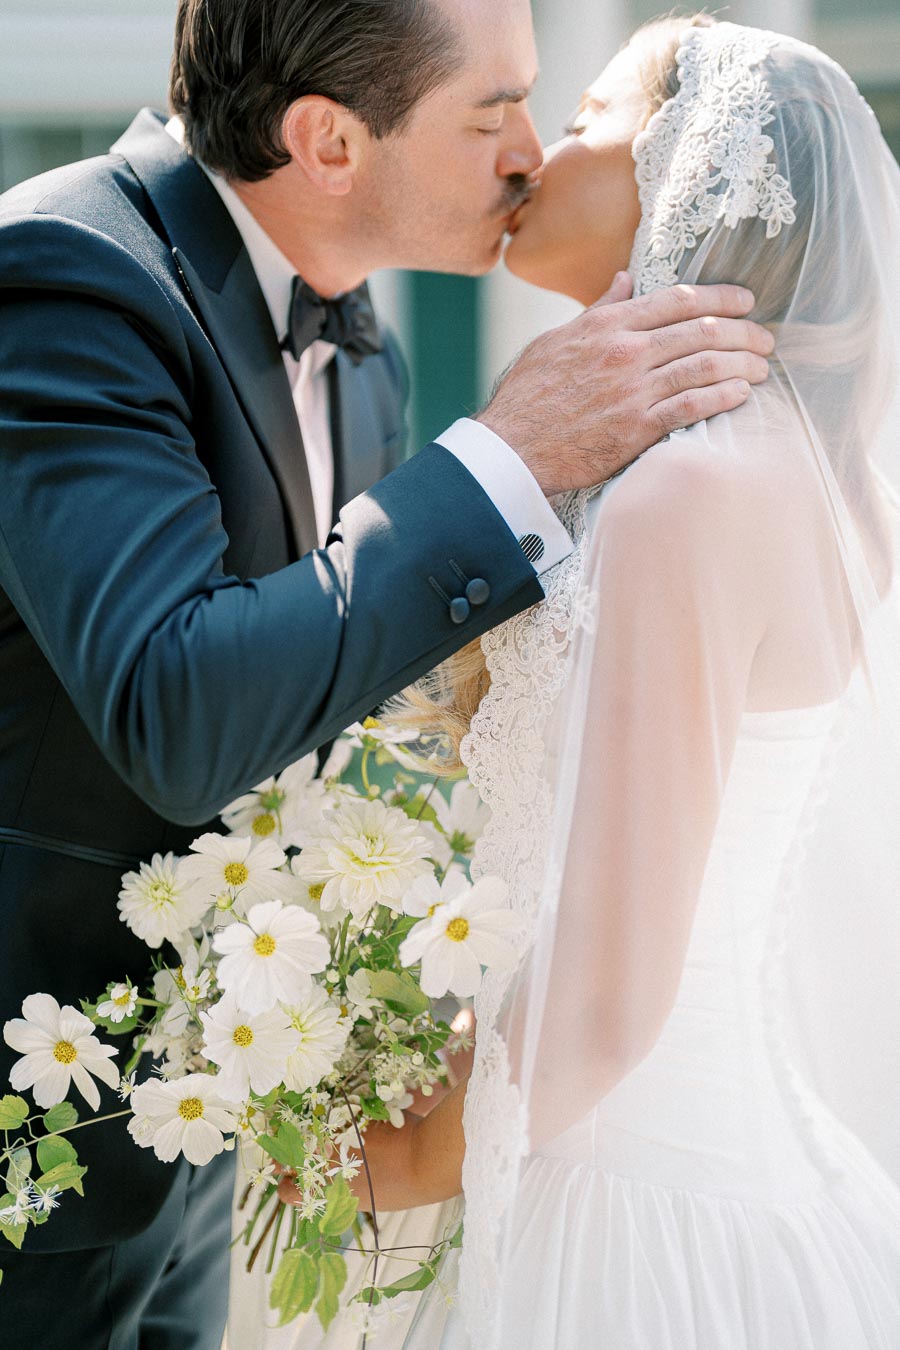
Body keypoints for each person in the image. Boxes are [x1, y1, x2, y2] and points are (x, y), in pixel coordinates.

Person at [0, 0, 774, 1345]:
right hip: (37, 1154)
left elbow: (330, 711)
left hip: (194, 1141)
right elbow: (176, 709)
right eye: (493, 112)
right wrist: (500, 463)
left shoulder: (368, 358)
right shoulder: (68, 275)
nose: (531, 152)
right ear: (328, 141)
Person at [281, 15, 900, 1349]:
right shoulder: (777, 479)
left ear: (693, 179)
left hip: (638, 1206)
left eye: (578, 121)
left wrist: (395, 1155)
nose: (532, 153)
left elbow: (612, 996)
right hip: (653, 1142)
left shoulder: (692, 493)